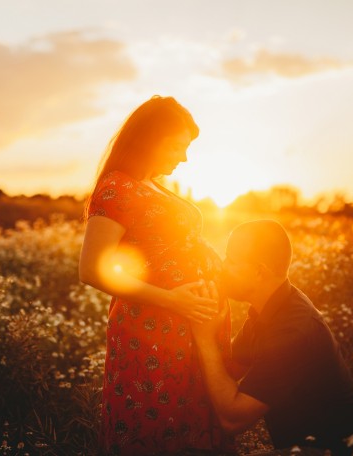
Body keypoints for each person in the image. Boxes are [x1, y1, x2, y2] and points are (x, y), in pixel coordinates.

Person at [78, 95, 234, 455]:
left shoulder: (153, 186)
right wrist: (174, 300)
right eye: (178, 147)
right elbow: (91, 269)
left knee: (188, 429)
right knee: (153, 430)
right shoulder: (118, 187)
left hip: (186, 331)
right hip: (149, 336)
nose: (183, 158)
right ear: (151, 138)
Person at [191, 220, 353, 455]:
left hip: (336, 450)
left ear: (259, 271)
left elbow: (232, 420)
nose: (222, 267)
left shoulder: (292, 330)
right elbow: (230, 368)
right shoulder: (268, 309)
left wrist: (205, 338)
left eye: (231, 261)